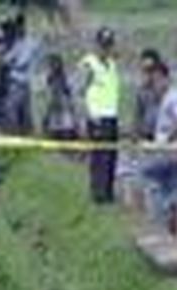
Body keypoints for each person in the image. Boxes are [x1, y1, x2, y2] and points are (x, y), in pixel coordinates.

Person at [141, 60, 177, 237]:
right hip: (170, 151)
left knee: (149, 176)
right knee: (172, 186)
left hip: (172, 151)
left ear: (163, 78)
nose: (153, 87)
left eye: (155, 82)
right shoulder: (167, 97)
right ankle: (172, 224)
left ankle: (164, 221)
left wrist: (166, 140)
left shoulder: (175, 97)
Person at [78, 27, 120, 203]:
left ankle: (108, 193)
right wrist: (86, 116)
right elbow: (81, 92)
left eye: (109, 44)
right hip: (96, 117)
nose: (106, 48)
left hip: (111, 116)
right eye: (103, 45)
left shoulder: (112, 64)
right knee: (99, 157)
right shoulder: (89, 64)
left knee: (111, 157)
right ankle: (98, 194)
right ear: (97, 44)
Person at [1, 13, 41, 135]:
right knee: (14, 109)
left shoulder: (31, 43)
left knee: (17, 109)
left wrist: (11, 63)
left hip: (23, 82)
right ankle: (16, 133)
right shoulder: (18, 43)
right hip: (15, 81)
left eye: (19, 27)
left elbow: (23, 62)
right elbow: (6, 59)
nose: (18, 30)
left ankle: (23, 133)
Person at [42, 53, 77, 141]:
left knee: (66, 122)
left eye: (56, 63)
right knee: (54, 123)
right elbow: (47, 87)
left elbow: (69, 89)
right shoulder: (50, 76)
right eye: (52, 64)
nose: (54, 66)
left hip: (63, 102)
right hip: (54, 102)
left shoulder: (64, 76)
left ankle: (66, 134)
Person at [131, 48, 163, 143]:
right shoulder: (142, 90)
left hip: (162, 131)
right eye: (145, 71)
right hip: (147, 131)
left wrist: (153, 82)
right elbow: (138, 112)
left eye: (150, 70)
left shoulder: (162, 85)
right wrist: (136, 131)